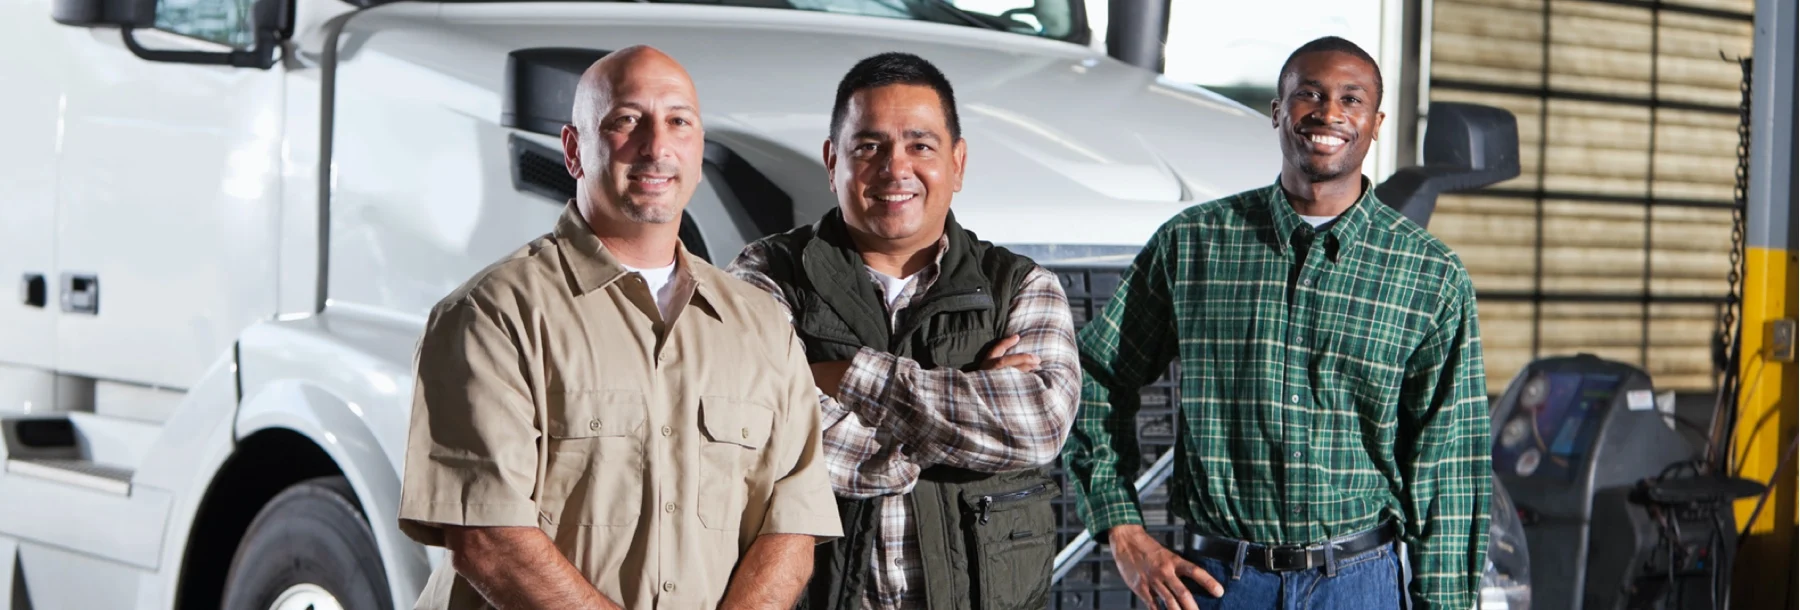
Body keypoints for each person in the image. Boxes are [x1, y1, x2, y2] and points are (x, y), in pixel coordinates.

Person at [396, 45, 841, 610]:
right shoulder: (491, 315)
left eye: (678, 122)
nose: (657, 147)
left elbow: (792, 526)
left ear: (699, 149)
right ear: (574, 150)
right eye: (626, 121)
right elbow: (488, 538)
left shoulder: (761, 326)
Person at [1063, 36, 1492, 610]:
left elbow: (1450, 466)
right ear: (1277, 110)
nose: (1329, 113)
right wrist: (1121, 527)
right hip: (1218, 583)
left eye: (1351, 99)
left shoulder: (1429, 274)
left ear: (1376, 121)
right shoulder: (1194, 244)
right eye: (1308, 93)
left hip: (1360, 585)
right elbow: (1091, 376)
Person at [726, 52, 1080, 610]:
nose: (895, 168)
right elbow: (759, 431)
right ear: (832, 159)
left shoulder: (1021, 286)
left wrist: (847, 377)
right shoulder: (764, 274)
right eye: (869, 147)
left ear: (957, 163)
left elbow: (1038, 426)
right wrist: (961, 416)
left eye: (921, 146)